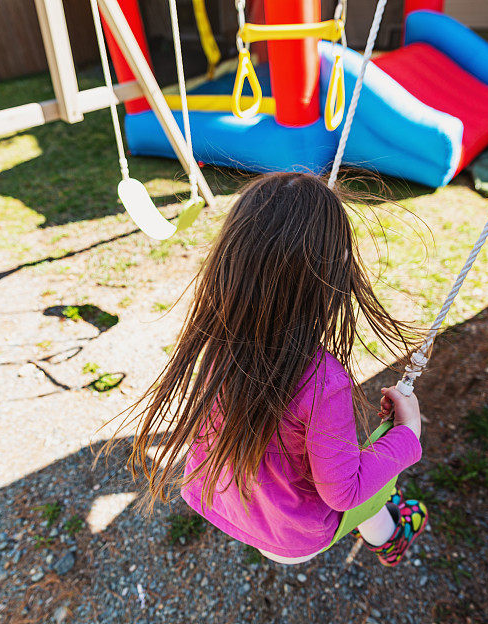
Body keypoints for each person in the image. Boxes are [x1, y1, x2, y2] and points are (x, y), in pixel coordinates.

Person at [125, 172, 428, 566]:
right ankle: (392, 538)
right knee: (368, 482)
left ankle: (386, 515)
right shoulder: (323, 382)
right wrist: (407, 434)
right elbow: (344, 493)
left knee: (349, 463)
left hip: (231, 507)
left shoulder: (218, 340)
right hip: (295, 533)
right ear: (331, 279)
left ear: (231, 260)